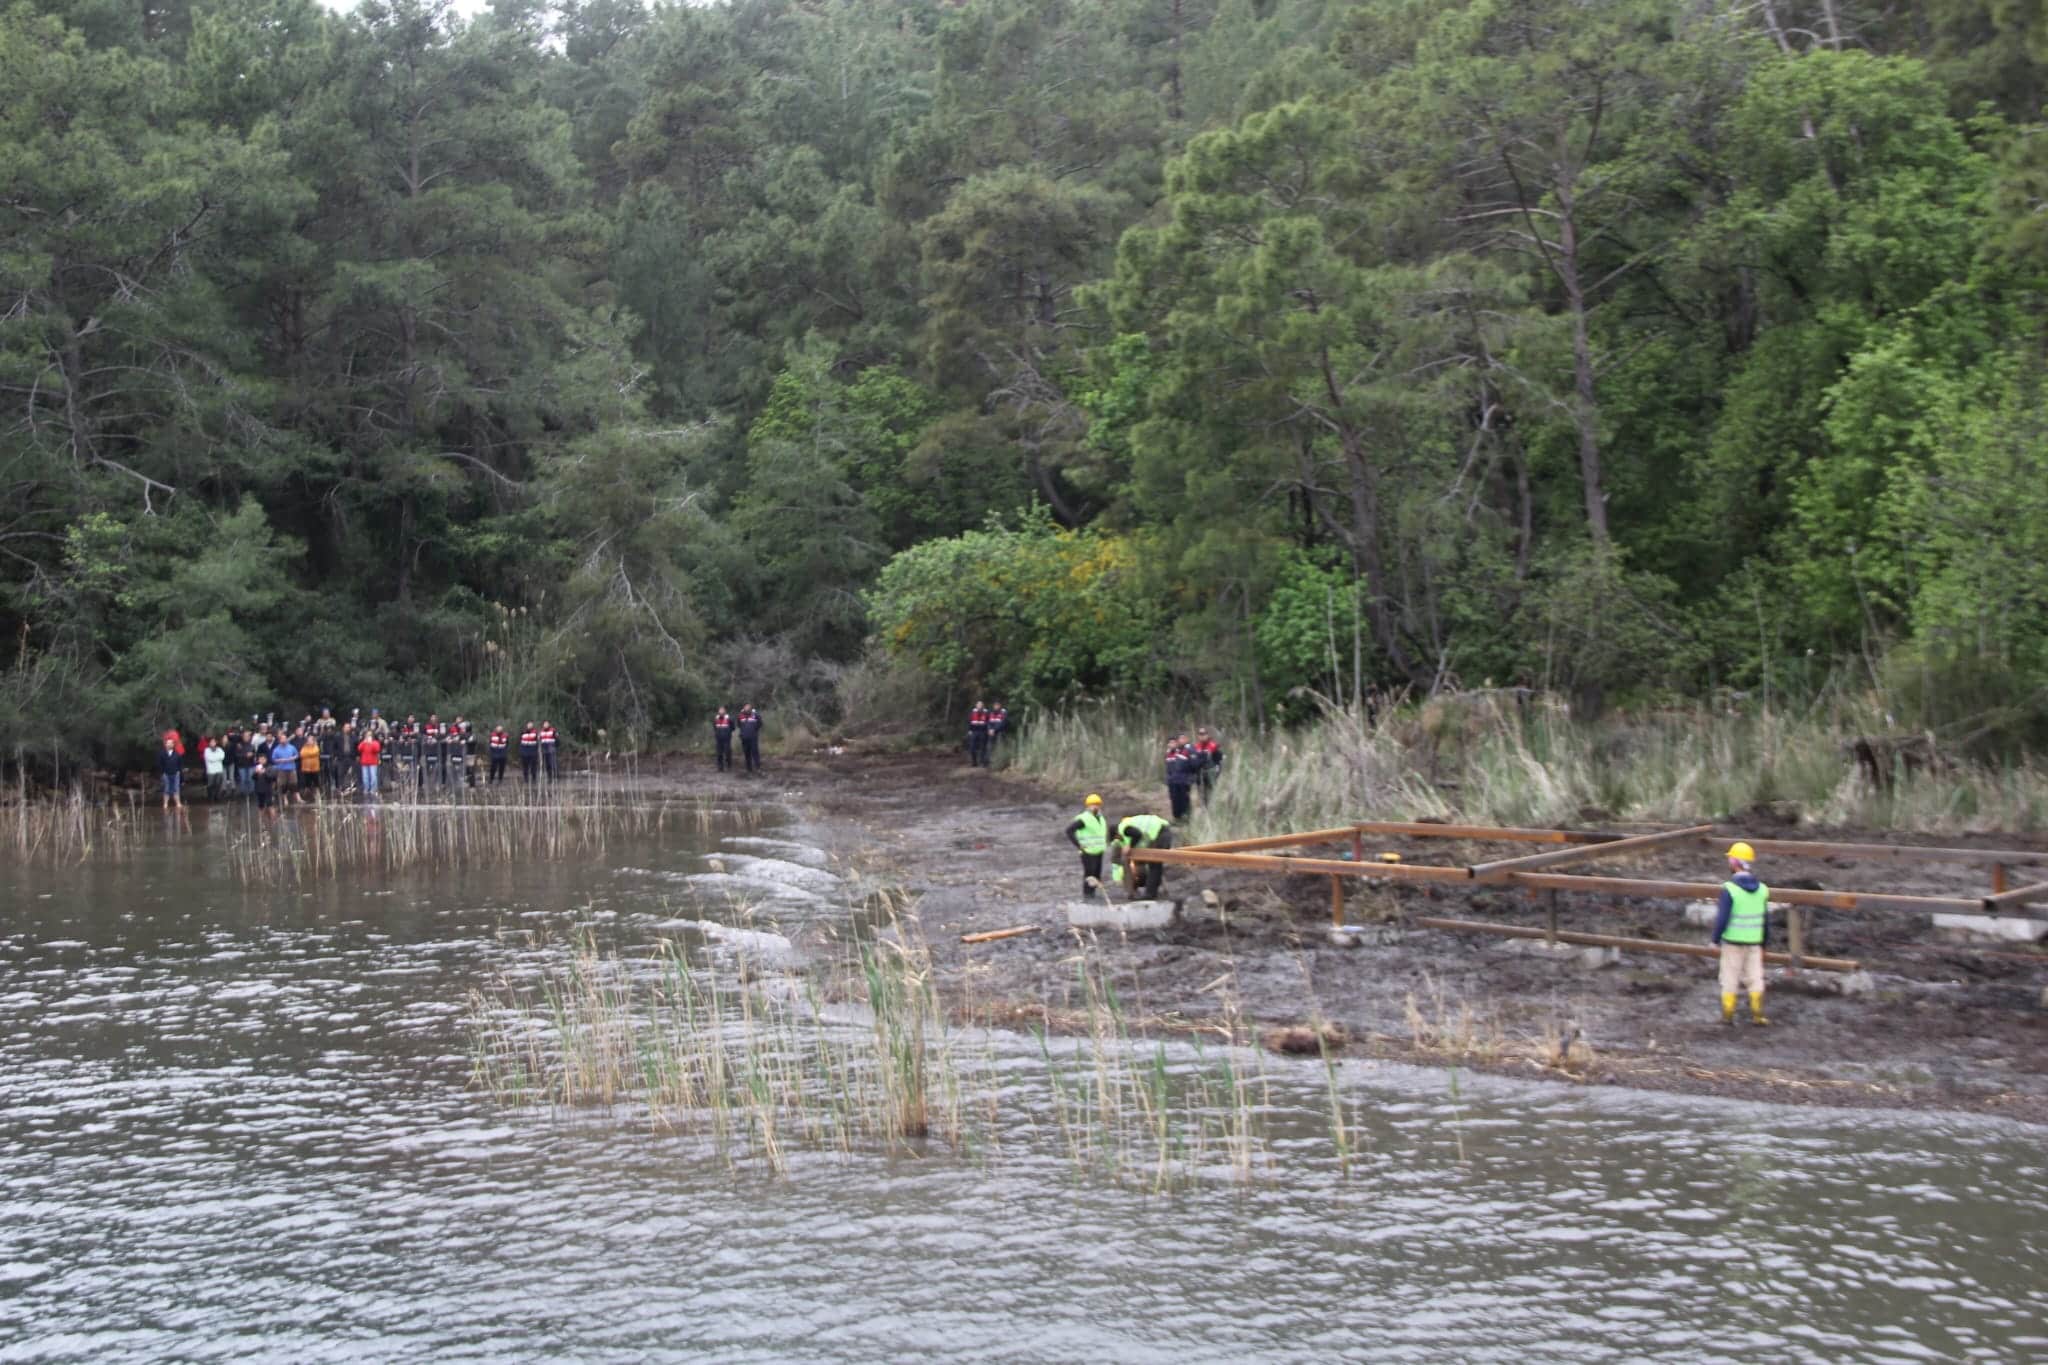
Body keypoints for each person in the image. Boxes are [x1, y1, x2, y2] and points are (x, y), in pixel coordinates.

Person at [1712, 840, 1771, 1027]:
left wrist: (1714, 939)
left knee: (1729, 978)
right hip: (1754, 942)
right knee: (1755, 977)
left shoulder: (1730, 889)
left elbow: (1723, 918)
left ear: (1735, 862)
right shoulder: (1762, 890)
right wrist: (1764, 943)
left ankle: (1728, 1015)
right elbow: (1765, 919)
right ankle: (1758, 1014)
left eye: (1731, 859)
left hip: (1732, 942)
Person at [1110, 812, 1173, 901]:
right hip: (1163, 831)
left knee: (1154, 864)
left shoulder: (1124, 829)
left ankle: (1150, 894)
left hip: (1161, 832)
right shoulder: (1127, 825)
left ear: (1116, 835)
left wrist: (1130, 846)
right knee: (1156, 864)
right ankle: (1153, 892)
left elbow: (1137, 834)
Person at [1065, 793, 1109, 899]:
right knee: (1090, 873)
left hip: (1098, 850)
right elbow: (1069, 830)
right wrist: (1079, 845)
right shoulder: (1084, 819)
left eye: (1097, 804)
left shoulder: (1100, 818)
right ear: (1088, 806)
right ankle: (1088, 894)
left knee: (1097, 873)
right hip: (1087, 851)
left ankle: (1093, 892)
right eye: (1093, 804)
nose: (1095, 806)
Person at [1164, 734, 1194, 821]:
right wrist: (1168, 779)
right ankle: (1177, 818)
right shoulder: (1168, 754)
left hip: (1183, 781)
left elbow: (1189, 766)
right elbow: (1168, 769)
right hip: (1172, 782)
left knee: (1184, 800)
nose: (1172, 744)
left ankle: (1187, 818)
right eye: (1170, 743)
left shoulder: (1182, 752)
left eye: (1174, 742)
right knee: (1174, 800)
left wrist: (1190, 778)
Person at [1194, 727, 1224, 802]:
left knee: (1211, 795)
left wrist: (1217, 773)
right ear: (1198, 736)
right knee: (1202, 796)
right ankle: (1204, 810)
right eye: (1200, 734)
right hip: (1200, 775)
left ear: (1207, 735)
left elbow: (1219, 762)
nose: (1202, 736)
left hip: (1211, 774)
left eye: (1204, 734)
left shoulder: (1213, 746)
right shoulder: (1196, 747)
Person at [270, 731, 300, 804]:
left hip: (291, 768)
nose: (283, 740)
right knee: (283, 785)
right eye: (282, 739)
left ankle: (298, 798)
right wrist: (280, 760)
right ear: (280, 740)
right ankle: (285, 798)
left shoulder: (291, 747)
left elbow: (297, 755)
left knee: (294, 783)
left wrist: (293, 758)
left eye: (285, 739)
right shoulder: (276, 749)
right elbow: (273, 759)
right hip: (282, 769)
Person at [158, 736, 184, 810]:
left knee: (176, 789)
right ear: (165, 744)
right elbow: (160, 764)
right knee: (166, 789)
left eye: (171, 743)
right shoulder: (162, 754)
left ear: (173, 745)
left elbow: (180, 765)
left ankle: (178, 803)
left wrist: (181, 775)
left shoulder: (177, 754)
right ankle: (165, 803)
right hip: (166, 774)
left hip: (176, 773)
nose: (169, 744)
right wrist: (162, 773)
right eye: (168, 743)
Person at [356, 728, 383, 798]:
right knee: (365, 777)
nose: (368, 737)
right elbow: (359, 749)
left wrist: (371, 743)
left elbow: (377, 750)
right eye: (367, 735)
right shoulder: (363, 742)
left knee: (373, 776)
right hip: (364, 762)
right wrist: (364, 742)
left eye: (370, 735)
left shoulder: (375, 742)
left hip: (373, 762)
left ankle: (373, 789)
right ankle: (366, 789)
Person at [738, 704, 762, 774]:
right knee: (746, 753)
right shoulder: (740, 716)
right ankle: (749, 769)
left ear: (751, 708)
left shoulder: (755, 715)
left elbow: (760, 724)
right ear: (743, 708)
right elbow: (739, 725)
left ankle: (758, 767)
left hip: (753, 737)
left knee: (755, 752)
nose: (747, 708)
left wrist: (754, 730)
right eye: (745, 707)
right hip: (744, 738)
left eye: (748, 707)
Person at [299, 732, 322, 803]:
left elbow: (315, 752)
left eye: (311, 740)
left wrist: (307, 754)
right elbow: (302, 754)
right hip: (306, 769)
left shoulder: (316, 746)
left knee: (316, 783)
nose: (309, 741)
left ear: (313, 740)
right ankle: (307, 797)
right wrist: (308, 754)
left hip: (315, 768)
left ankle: (318, 796)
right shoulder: (304, 747)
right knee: (307, 783)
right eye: (308, 740)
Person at [202, 735, 226, 802]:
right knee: (210, 785)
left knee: (218, 784)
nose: (212, 743)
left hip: (219, 770)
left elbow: (222, 756)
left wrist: (215, 758)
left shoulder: (219, 749)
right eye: (211, 742)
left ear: (216, 743)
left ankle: (217, 796)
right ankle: (210, 797)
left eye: (214, 742)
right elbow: (210, 758)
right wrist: (216, 758)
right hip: (211, 771)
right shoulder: (206, 750)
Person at [966, 701, 988, 768]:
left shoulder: (986, 712)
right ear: (976, 705)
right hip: (974, 731)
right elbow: (969, 721)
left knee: (982, 747)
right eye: (978, 705)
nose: (980, 706)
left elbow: (988, 722)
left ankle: (982, 762)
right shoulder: (973, 712)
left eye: (981, 705)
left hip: (983, 731)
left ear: (983, 706)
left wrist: (987, 729)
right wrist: (969, 730)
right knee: (972, 747)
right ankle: (974, 762)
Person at [712, 706, 734, 772]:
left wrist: (728, 733)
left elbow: (733, 727)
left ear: (725, 711)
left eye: (722, 710)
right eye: (720, 710)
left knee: (727, 752)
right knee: (719, 753)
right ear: (718, 711)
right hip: (719, 739)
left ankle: (729, 765)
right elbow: (714, 727)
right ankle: (720, 767)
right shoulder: (716, 719)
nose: (721, 712)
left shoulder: (729, 718)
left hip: (727, 738)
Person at [519, 721, 540, 785]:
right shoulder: (522, 732)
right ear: (526, 725)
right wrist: (521, 751)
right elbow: (520, 742)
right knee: (525, 767)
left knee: (533, 767)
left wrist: (536, 751)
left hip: (533, 752)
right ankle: (526, 779)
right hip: (524, 753)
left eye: (531, 725)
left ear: (532, 726)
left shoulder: (535, 733)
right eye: (528, 725)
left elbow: (538, 742)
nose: (529, 726)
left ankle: (534, 779)